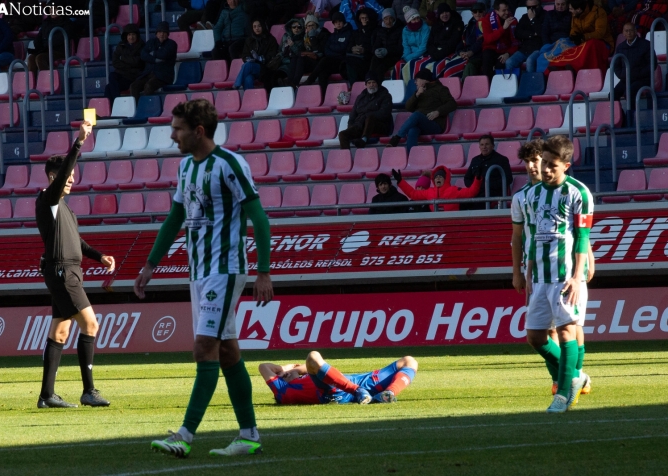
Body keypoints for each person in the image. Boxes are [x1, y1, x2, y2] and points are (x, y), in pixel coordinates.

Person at [135, 99, 273, 458]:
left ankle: (184, 435)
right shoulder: (185, 168)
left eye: (178, 128)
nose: (172, 134)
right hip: (199, 272)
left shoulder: (229, 164)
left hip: (225, 270)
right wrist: (150, 265)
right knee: (227, 352)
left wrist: (263, 271)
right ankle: (249, 435)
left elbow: (259, 217)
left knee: (203, 348)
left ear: (198, 131)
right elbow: (174, 217)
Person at [35, 121, 114, 409]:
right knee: (90, 324)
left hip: (65, 271)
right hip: (63, 272)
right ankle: (89, 391)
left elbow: (77, 243)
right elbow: (67, 166)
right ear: (54, 177)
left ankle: (46, 396)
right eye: (67, 176)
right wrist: (79, 141)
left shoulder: (64, 208)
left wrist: (98, 256)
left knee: (60, 331)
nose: (72, 180)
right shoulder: (49, 199)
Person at [511, 139, 593, 397]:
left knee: (572, 327)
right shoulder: (524, 197)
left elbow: (581, 234)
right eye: (533, 162)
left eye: (541, 161)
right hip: (538, 268)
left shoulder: (574, 192)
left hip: (567, 267)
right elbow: (520, 236)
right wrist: (520, 270)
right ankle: (567, 378)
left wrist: (588, 259)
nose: (537, 167)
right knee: (544, 330)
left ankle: (570, 379)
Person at [259, 351, 418, 404]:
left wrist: (293, 370)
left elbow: (309, 366)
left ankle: (388, 394)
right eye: (282, 375)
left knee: (410, 361)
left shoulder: (302, 375)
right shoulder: (282, 390)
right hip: (331, 393)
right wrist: (286, 369)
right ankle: (358, 391)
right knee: (313, 355)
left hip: (358, 381)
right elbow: (263, 367)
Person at [387, 69, 456, 152]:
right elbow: (408, 107)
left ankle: (397, 137)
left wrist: (438, 112)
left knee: (417, 115)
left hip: (435, 124)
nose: (415, 83)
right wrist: (417, 95)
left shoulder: (440, 89)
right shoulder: (419, 91)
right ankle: (412, 157)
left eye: (417, 80)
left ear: (424, 80)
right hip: (421, 124)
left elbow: (452, 104)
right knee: (412, 130)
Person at [338, 71, 393, 149]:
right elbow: (352, 116)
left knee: (370, 117)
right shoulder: (360, 97)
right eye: (369, 83)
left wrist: (366, 116)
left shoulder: (385, 96)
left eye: (373, 82)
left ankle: (363, 140)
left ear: (378, 83)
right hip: (359, 125)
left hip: (379, 125)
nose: (371, 85)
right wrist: (351, 128)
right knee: (342, 134)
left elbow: (384, 114)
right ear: (366, 84)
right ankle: (346, 159)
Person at [302, 12, 353, 96]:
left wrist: (333, 50)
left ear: (343, 22)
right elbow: (326, 50)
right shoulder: (332, 35)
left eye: (340, 21)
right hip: (333, 61)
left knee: (324, 60)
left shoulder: (349, 33)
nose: (338, 24)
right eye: (336, 22)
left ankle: (310, 80)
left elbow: (344, 49)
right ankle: (323, 96)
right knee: (323, 72)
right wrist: (336, 51)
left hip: (343, 62)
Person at [393, 165, 482, 211]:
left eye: (440, 177)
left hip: (453, 222)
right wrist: (400, 181)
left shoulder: (454, 190)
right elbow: (413, 194)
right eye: (436, 177)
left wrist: (477, 178)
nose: (438, 178)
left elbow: (471, 192)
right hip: (435, 223)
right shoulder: (429, 192)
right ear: (433, 180)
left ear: (446, 179)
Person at [414, 3, 464, 78]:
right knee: (414, 64)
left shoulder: (457, 23)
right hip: (435, 53)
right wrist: (434, 53)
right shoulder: (436, 25)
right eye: (442, 13)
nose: (445, 14)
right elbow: (430, 42)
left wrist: (439, 54)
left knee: (437, 67)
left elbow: (453, 43)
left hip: (449, 52)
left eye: (446, 12)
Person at [131, 22, 177, 101]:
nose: (161, 34)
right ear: (156, 33)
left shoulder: (172, 44)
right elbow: (143, 55)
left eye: (164, 32)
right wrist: (155, 60)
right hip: (148, 73)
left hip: (163, 76)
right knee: (134, 86)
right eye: (159, 32)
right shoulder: (150, 42)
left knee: (149, 86)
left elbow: (164, 54)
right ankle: (137, 108)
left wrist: (153, 53)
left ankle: (147, 108)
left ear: (167, 34)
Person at [464, 135, 513, 208]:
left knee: (478, 204)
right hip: (477, 192)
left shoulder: (501, 159)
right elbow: (467, 178)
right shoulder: (475, 160)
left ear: (493, 146)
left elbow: (508, 179)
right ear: (479, 147)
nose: (484, 147)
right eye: (482, 145)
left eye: (487, 144)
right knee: (462, 204)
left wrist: (488, 185)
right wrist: (475, 187)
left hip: (493, 194)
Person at [614, 22, 654, 109]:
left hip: (642, 80)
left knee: (630, 92)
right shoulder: (620, 47)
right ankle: (621, 119)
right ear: (623, 33)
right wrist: (622, 75)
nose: (629, 33)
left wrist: (639, 74)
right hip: (626, 79)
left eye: (631, 30)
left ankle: (633, 118)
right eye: (626, 31)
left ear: (636, 31)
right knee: (613, 95)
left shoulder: (646, 45)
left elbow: (653, 64)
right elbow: (616, 66)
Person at [234, 19, 279, 90]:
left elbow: (273, 55)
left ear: (263, 27)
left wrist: (260, 58)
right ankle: (249, 98)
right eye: (254, 27)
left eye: (259, 26)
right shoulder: (249, 40)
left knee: (247, 65)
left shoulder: (271, 39)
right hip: (253, 67)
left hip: (266, 68)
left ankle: (236, 85)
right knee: (248, 78)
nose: (257, 28)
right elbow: (244, 55)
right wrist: (248, 59)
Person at [105, 24, 145, 102]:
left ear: (137, 35)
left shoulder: (142, 46)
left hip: (133, 77)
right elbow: (115, 61)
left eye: (133, 34)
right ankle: (110, 109)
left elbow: (137, 62)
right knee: (111, 79)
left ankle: (116, 105)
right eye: (129, 35)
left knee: (109, 87)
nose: (131, 37)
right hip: (122, 75)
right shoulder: (121, 45)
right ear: (126, 36)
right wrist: (129, 63)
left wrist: (122, 58)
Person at [479, 0, 518, 79]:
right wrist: (503, 28)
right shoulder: (486, 20)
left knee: (500, 64)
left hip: (505, 50)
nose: (507, 12)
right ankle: (487, 86)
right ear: (496, 11)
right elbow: (488, 39)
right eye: (503, 10)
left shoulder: (513, 20)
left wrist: (508, 53)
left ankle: (500, 87)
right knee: (487, 59)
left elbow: (516, 42)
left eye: (507, 9)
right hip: (491, 48)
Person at [286, 14, 327, 88]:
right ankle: (290, 82)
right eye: (309, 26)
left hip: (319, 62)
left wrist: (312, 38)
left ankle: (294, 83)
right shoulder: (305, 37)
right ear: (306, 28)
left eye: (313, 25)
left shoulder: (323, 34)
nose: (311, 28)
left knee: (301, 59)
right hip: (309, 61)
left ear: (317, 25)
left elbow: (318, 52)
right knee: (296, 58)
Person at [504, 0, 544, 72]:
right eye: (529, 7)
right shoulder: (524, 17)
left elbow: (541, 32)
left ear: (539, 5)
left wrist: (532, 19)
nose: (531, 9)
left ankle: (531, 82)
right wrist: (532, 34)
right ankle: (515, 83)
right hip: (525, 49)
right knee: (509, 62)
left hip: (539, 48)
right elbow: (517, 33)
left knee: (530, 61)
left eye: (534, 7)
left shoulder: (546, 15)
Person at [391, 7, 430, 81]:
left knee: (414, 65)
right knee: (398, 65)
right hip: (409, 55)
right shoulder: (405, 30)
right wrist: (406, 57)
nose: (417, 21)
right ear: (409, 21)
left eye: (418, 18)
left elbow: (423, 47)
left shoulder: (425, 28)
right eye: (414, 19)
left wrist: (409, 58)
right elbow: (406, 46)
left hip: (423, 54)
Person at [534, 0, 571, 74]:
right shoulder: (549, 15)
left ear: (567, 5)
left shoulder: (571, 15)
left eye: (563, 4)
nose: (560, 6)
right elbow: (545, 32)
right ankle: (543, 78)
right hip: (551, 44)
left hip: (565, 42)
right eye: (558, 4)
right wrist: (547, 45)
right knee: (541, 58)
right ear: (555, 4)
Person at [346, 9, 378, 84]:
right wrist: (352, 49)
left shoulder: (376, 31)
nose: (364, 20)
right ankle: (355, 85)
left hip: (369, 58)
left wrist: (364, 50)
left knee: (351, 61)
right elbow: (348, 46)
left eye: (366, 18)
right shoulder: (356, 32)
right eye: (362, 18)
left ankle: (355, 85)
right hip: (355, 56)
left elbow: (376, 46)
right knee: (348, 60)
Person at [370, 8, 404, 77]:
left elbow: (400, 48)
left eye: (390, 18)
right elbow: (375, 45)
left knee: (381, 67)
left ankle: (378, 83)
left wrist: (387, 51)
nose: (388, 22)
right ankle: (370, 80)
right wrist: (376, 51)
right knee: (374, 60)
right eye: (385, 19)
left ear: (394, 18)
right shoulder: (380, 30)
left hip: (394, 56)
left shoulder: (400, 29)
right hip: (382, 55)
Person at [455, 2, 484, 79]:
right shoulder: (470, 24)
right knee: (448, 65)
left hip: (478, 54)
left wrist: (471, 52)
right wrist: (460, 52)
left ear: (484, 11)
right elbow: (463, 39)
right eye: (475, 12)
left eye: (480, 11)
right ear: (472, 13)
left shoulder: (485, 23)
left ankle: (465, 88)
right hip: (467, 53)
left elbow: (482, 41)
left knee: (469, 66)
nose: (477, 14)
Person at [275, 18, 305, 86]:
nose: (296, 28)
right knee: (274, 76)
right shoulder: (285, 36)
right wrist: (279, 57)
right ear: (290, 28)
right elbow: (280, 49)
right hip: (282, 62)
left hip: (292, 63)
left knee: (279, 76)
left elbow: (299, 53)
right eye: (294, 27)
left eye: (299, 27)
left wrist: (292, 45)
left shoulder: (303, 38)